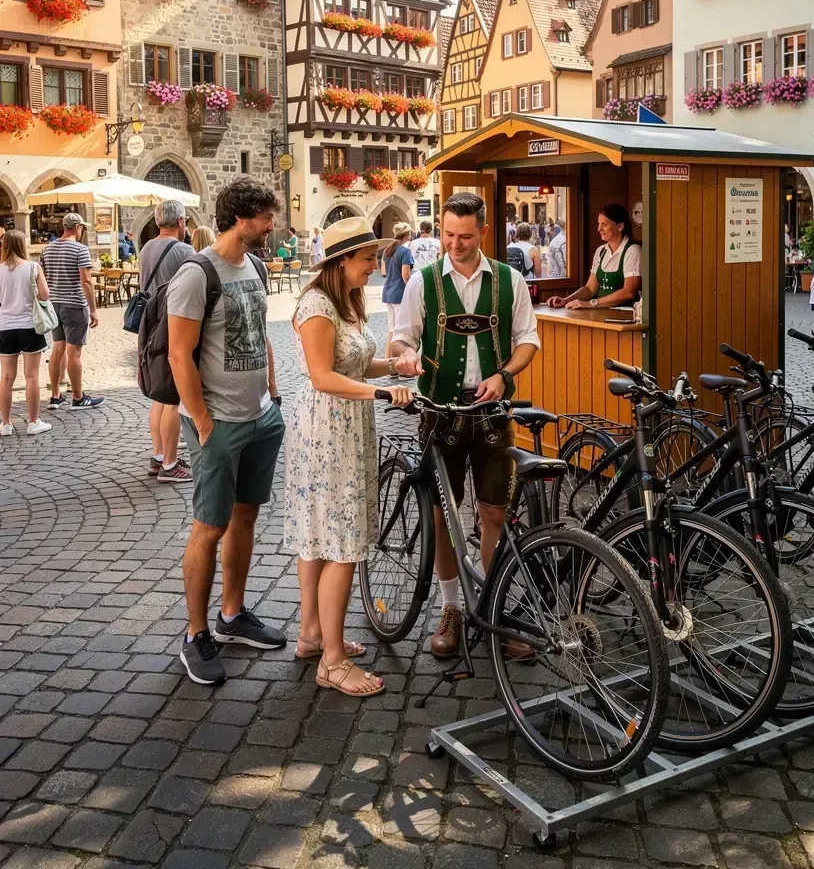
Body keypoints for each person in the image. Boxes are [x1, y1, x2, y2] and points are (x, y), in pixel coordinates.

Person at [391, 192, 540, 659]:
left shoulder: (509, 280)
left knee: (494, 513)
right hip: (441, 414)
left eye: (466, 236)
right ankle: (451, 607)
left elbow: (528, 339)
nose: (455, 244)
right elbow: (400, 338)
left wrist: (505, 375)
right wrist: (407, 356)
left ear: (484, 231)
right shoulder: (424, 282)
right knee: (442, 515)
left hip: (493, 416)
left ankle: (494, 606)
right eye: (449, 235)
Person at [284, 217, 413, 696]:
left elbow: (354, 363)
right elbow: (322, 376)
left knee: (321, 533)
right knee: (340, 538)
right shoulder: (317, 304)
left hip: (346, 422)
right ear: (341, 262)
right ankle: (332, 662)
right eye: (367, 260)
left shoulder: (349, 302)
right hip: (327, 427)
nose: (374, 267)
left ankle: (313, 634)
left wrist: (396, 367)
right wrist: (381, 394)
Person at [168, 176, 286, 685]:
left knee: (245, 517)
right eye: (264, 217)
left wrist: (273, 394)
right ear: (241, 218)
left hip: (260, 415)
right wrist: (200, 418)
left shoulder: (255, 266)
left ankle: (232, 616)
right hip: (218, 421)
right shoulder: (196, 274)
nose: (270, 226)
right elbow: (178, 352)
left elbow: (262, 334)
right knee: (209, 527)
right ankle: (196, 635)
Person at [139, 201, 195, 482]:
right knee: (173, 395)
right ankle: (171, 466)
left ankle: (158, 456)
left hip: (150, 327)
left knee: (159, 395)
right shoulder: (184, 250)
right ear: (182, 221)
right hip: (174, 325)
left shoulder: (147, 247)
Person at [40, 213, 103, 410]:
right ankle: (78, 397)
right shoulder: (80, 249)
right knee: (74, 353)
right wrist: (93, 310)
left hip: (54, 304)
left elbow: (43, 277)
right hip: (74, 304)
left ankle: (55, 396)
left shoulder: (47, 249)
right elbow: (86, 281)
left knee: (57, 349)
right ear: (77, 227)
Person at [0, 231, 52, 437]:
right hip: (30, 325)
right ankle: (32, 422)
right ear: (23, 245)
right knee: (31, 376)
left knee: (6, 377)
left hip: (5, 326)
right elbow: (45, 295)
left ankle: (5, 424)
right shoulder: (33, 267)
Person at [547, 203, 641, 309]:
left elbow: (628, 292)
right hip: (602, 314)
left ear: (620, 226)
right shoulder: (601, 251)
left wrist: (591, 303)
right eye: (599, 224)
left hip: (625, 316)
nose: (599, 229)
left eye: (604, 224)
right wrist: (566, 300)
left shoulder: (633, 250)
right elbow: (590, 288)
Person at [381, 221, 413, 357]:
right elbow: (406, 275)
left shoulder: (387, 250)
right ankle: (398, 363)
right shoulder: (405, 251)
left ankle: (390, 364)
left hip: (388, 292)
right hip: (399, 293)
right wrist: (413, 290)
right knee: (400, 332)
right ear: (407, 234)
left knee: (391, 330)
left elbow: (383, 272)